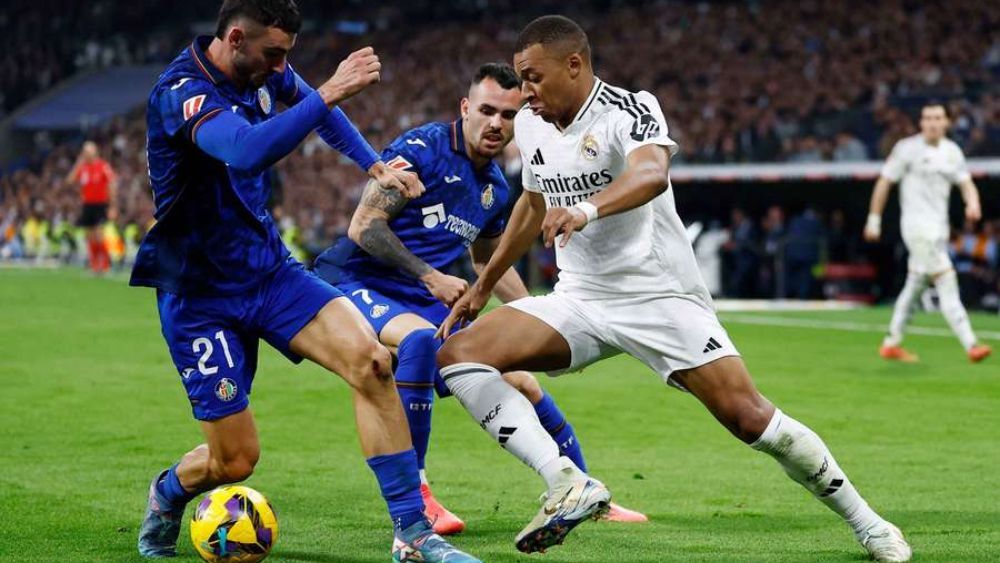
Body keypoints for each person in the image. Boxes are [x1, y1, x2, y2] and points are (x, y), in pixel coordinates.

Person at [434, 15, 913, 561]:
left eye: (534, 77)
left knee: (751, 418)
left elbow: (651, 174)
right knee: (460, 355)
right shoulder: (532, 124)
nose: (526, 93)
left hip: (658, 295)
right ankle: (567, 481)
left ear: (575, 64)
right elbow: (533, 204)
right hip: (582, 298)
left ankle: (869, 523)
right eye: (521, 79)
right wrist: (483, 285)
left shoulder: (631, 109)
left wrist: (587, 210)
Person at [131, 1, 478, 561]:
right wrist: (332, 89)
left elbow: (316, 112)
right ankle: (168, 492)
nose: (281, 67)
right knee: (234, 462)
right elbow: (245, 153)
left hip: (269, 271)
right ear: (236, 37)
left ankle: (413, 536)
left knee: (371, 362)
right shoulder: (181, 91)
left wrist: (373, 164)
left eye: (286, 55)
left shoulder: (264, 68)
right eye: (274, 54)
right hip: (199, 295)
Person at [313, 62, 646, 536]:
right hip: (356, 280)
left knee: (522, 381)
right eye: (487, 111)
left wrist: (540, 315)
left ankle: (584, 491)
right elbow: (363, 227)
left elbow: (488, 261)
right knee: (421, 341)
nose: (496, 124)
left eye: (509, 116)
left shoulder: (493, 188)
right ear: (465, 108)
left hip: (419, 295)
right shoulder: (421, 148)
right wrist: (429, 276)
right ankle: (419, 495)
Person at [864, 103, 992, 363]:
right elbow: (884, 181)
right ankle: (971, 344)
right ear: (921, 123)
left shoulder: (952, 152)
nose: (932, 122)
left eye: (937, 118)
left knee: (914, 285)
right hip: (917, 229)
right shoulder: (907, 149)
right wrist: (874, 219)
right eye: (927, 118)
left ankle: (891, 343)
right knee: (946, 279)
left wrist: (973, 203)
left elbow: (965, 182)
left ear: (946, 122)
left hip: (938, 230)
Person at [66, 141, 117, 273]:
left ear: (95, 152)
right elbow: (69, 181)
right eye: (85, 151)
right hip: (87, 205)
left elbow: (112, 184)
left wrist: (112, 206)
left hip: (100, 204)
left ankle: (105, 264)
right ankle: (94, 265)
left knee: (99, 234)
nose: (86, 154)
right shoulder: (82, 168)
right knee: (90, 235)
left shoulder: (103, 166)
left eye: (88, 151)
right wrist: (77, 164)